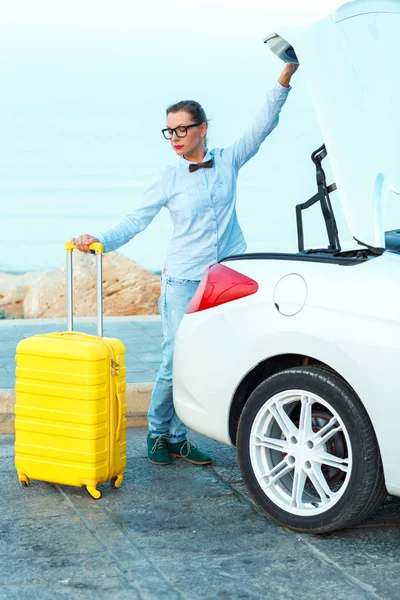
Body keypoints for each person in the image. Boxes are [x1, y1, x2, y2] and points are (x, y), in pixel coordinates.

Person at [71, 62, 298, 467]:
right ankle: (159, 433)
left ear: (202, 128)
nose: (174, 138)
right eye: (169, 131)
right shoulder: (168, 178)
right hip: (182, 282)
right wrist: (101, 241)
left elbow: (262, 126)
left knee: (216, 357)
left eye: (181, 129)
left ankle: (182, 436)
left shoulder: (228, 161)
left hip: (225, 280)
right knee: (174, 360)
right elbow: (136, 220)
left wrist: (284, 79)